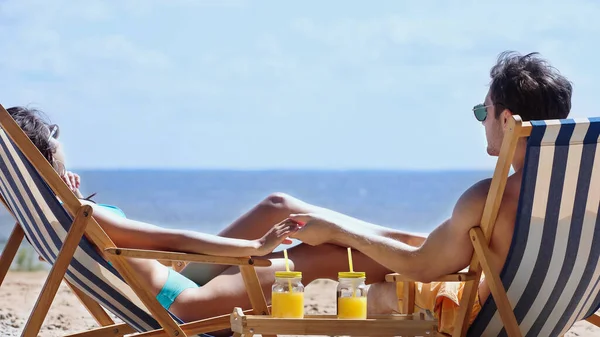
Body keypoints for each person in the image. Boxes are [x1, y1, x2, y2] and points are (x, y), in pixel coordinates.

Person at [6, 50, 573, 335]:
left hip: (178, 284)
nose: (70, 170)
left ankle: (375, 247)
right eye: (61, 159)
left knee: (305, 227)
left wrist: (261, 250)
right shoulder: (581, 200)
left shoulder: (51, 214)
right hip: (181, 299)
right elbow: (172, 238)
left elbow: (165, 245)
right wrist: (258, 253)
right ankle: (383, 250)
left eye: (483, 113)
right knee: (334, 254)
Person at [284, 51, 573, 334]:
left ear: (507, 120)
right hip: (558, 317)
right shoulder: (586, 190)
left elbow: (420, 266)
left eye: (483, 112)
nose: (483, 122)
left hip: (488, 321)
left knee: (382, 291)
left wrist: (338, 232)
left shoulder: (489, 198)